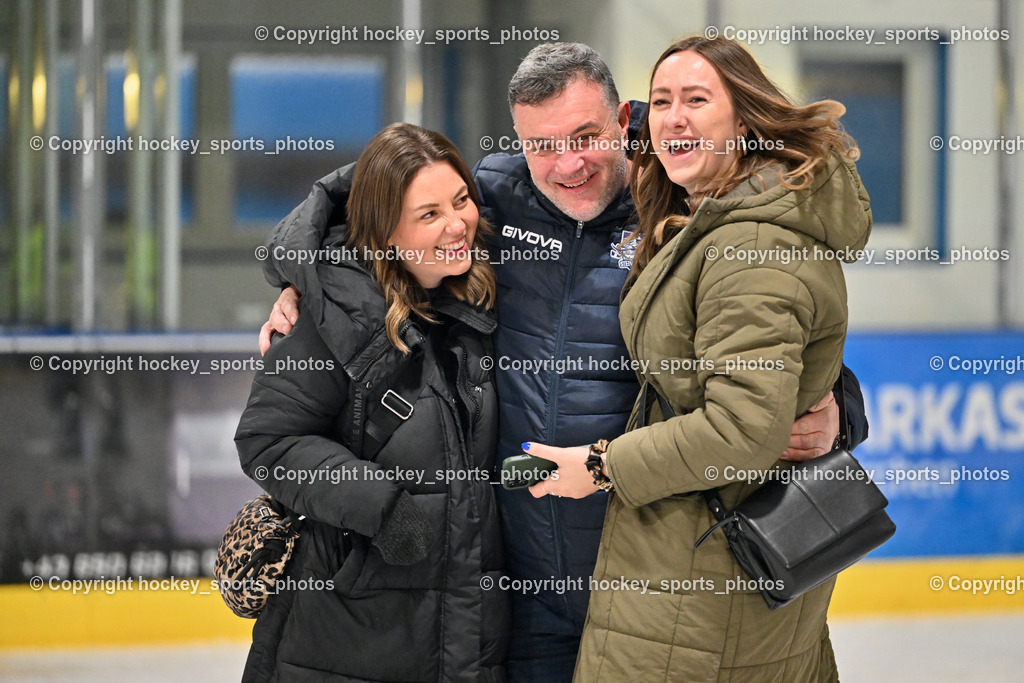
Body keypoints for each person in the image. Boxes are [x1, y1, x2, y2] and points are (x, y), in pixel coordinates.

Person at [258, 43, 868, 682]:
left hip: (650, 577)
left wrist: (840, 416)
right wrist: (300, 283)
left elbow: (777, 352)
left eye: (586, 137)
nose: (567, 164)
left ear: (623, 121)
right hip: (522, 589)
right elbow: (376, 205)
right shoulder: (489, 200)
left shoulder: (683, 204)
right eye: (542, 145)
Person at [524, 36, 872, 681]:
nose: (673, 116)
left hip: (700, 582)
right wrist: (298, 266)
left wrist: (601, 467)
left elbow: (742, 426)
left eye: (696, 99)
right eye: (660, 101)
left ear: (744, 120)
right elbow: (390, 185)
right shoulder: (697, 213)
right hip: (684, 568)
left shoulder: (753, 244)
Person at [234, 122, 507, 682]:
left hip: (459, 632)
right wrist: (379, 505)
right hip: (346, 635)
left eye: (461, 201)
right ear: (385, 232)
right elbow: (267, 441)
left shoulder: (480, 298)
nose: (457, 224)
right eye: (428, 214)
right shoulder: (333, 310)